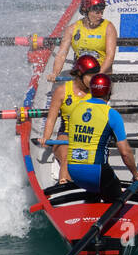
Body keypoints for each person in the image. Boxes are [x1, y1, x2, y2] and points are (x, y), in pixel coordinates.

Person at [65, 73, 138, 201]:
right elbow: (125, 153)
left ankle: (91, 202)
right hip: (96, 173)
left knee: (96, 188)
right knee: (114, 191)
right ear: (109, 91)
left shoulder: (75, 108)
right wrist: (135, 174)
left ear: (91, 89)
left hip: (73, 171)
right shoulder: (111, 114)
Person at [40, 54, 101, 185]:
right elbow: (51, 118)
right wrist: (46, 137)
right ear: (79, 74)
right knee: (68, 157)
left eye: (96, 75)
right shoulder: (62, 91)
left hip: (87, 136)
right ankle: (64, 185)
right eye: (90, 76)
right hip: (65, 136)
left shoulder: (98, 93)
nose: (94, 80)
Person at [48, 0, 118, 81]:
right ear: (85, 10)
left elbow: (110, 56)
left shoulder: (109, 27)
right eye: (97, 12)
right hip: (80, 75)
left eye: (102, 12)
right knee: (59, 93)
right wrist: (55, 73)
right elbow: (61, 55)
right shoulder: (72, 29)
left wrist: (98, 74)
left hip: (101, 76)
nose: (100, 16)